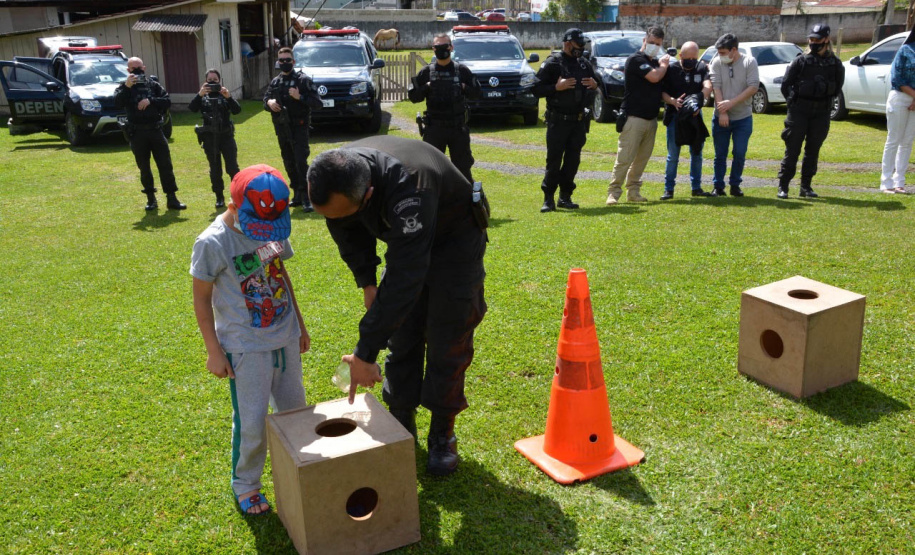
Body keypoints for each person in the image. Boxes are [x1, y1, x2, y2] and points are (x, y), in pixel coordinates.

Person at [306, 136, 487, 477]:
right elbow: (346, 230)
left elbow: (407, 276)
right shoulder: (336, 173)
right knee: (403, 336)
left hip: (455, 242)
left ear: (369, 196)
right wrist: (368, 283)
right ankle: (401, 420)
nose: (334, 219)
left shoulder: (410, 188)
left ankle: (442, 433)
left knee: (448, 338)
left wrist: (364, 352)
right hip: (407, 241)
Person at [190, 165, 310, 516]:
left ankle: (299, 469)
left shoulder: (272, 226)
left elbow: (279, 270)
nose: (264, 234)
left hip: (284, 336)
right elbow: (201, 298)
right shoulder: (212, 242)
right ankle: (247, 484)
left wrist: (299, 324)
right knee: (253, 421)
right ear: (233, 203)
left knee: (294, 413)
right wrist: (213, 351)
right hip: (245, 346)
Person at [533, 28, 599, 212]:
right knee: (553, 161)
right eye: (578, 44)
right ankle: (548, 199)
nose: (581, 48)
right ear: (568, 43)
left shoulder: (584, 64)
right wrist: (556, 87)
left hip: (578, 121)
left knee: (572, 161)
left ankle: (565, 196)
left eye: (583, 44)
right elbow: (536, 89)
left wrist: (595, 85)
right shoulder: (553, 63)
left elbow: (595, 83)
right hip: (558, 121)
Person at [777, 25, 845, 199]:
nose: (813, 43)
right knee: (792, 150)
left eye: (817, 39)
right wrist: (793, 104)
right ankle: (783, 186)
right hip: (799, 111)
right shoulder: (800, 61)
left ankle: (805, 186)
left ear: (826, 40)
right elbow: (786, 85)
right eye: (811, 39)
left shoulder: (835, 64)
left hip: (821, 112)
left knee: (813, 151)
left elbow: (837, 88)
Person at [606, 25, 671, 205]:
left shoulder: (656, 63)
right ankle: (613, 193)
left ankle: (633, 191)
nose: (653, 46)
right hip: (633, 118)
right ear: (644, 40)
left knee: (641, 160)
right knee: (624, 158)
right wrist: (664, 65)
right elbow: (655, 77)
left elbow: (661, 86)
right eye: (651, 42)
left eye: (657, 44)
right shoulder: (636, 60)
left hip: (651, 119)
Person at [408, 33, 481, 183]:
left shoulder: (462, 71)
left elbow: (477, 93)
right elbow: (413, 97)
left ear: (451, 47)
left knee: (463, 171)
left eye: (445, 46)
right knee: (432, 170)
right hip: (434, 129)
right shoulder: (426, 72)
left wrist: (463, 87)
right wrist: (426, 87)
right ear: (433, 49)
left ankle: (465, 204)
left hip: (457, 129)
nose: (442, 50)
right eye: (438, 47)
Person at [115, 57, 184, 211]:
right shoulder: (124, 87)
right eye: (133, 68)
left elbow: (167, 101)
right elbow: (117, 102)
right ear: (128, 70)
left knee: (165, 165)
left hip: (155, 130)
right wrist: (127, 87)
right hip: (137, 132)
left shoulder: (152, 85)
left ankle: (172, 198)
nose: (137, 71)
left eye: (139, 67)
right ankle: (151, 199)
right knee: (144, 167)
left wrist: (150, 100)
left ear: (144, 68)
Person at [264, 47, 323, 211]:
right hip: (282, 128)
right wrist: (269, 103)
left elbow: (317, 103)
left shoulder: (303, 80)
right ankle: (296, 193)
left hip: (299, 127)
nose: (284, 63)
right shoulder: (276, 82)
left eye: (287, 60)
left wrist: (300, 97)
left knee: (300, 161)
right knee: (289, 162)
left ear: (294, 62)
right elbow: (265, 100)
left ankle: (307, 197)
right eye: (281, 60)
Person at [660, 41, 712, 200]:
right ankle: (669, 189)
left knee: (696, 153)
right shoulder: (672, 69)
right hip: (675, 116)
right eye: (687, 58)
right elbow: (662, 92)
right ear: (680, 55)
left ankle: (696, 187)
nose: (691, 61)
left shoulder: (701, 68)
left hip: (695, 116)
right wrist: (673, 101)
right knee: (673, 155)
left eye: (694, 58)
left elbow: (708, 85)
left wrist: (699, 100)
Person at [709, 33, 759, 197]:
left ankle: (735, 184)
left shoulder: (749, 62)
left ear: (734, 50)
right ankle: (718, 186)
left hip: (743, 117)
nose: (719, 56)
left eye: (723, 52)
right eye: (719, 52)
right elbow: (716, 87)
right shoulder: (716, 62)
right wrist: (722, 111)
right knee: (720, 154)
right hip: (721, 117)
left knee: (739, 152)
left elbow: (753, 87)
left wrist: (731, 103)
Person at [189, 69, 242, 209]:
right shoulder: (202, 97)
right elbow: (192, 108)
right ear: (205, 81)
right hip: (210, 138)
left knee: (232, 167)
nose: (212, 82)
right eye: (209, 80)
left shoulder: (224, 95)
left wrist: (229, 97)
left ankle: (236, 195)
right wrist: (200, 94)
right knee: (215, 168)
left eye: (215, 80)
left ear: (220, 81)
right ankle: (219, 197)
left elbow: (237, 110)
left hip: (226, 136)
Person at [880, 27, 915, 194]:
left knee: (907, 142)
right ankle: (886, 182)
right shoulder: (905, 50)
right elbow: (897, 78)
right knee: (894, 140)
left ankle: (899, 181)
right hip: (900, 97)